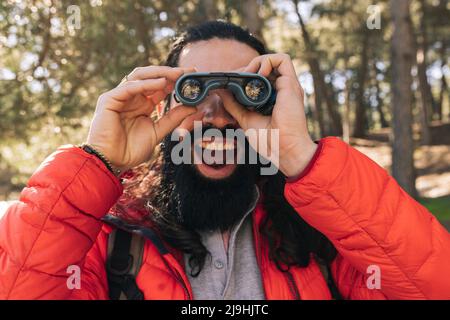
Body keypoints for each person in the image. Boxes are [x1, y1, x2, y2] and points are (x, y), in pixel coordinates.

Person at [1, 20, 449, 300]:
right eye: (194, 94)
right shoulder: (105, 236)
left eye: (243, 94)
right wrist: (96, 163)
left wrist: (304, 161)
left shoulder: (325, 233)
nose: (217, 117)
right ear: (162, 108)